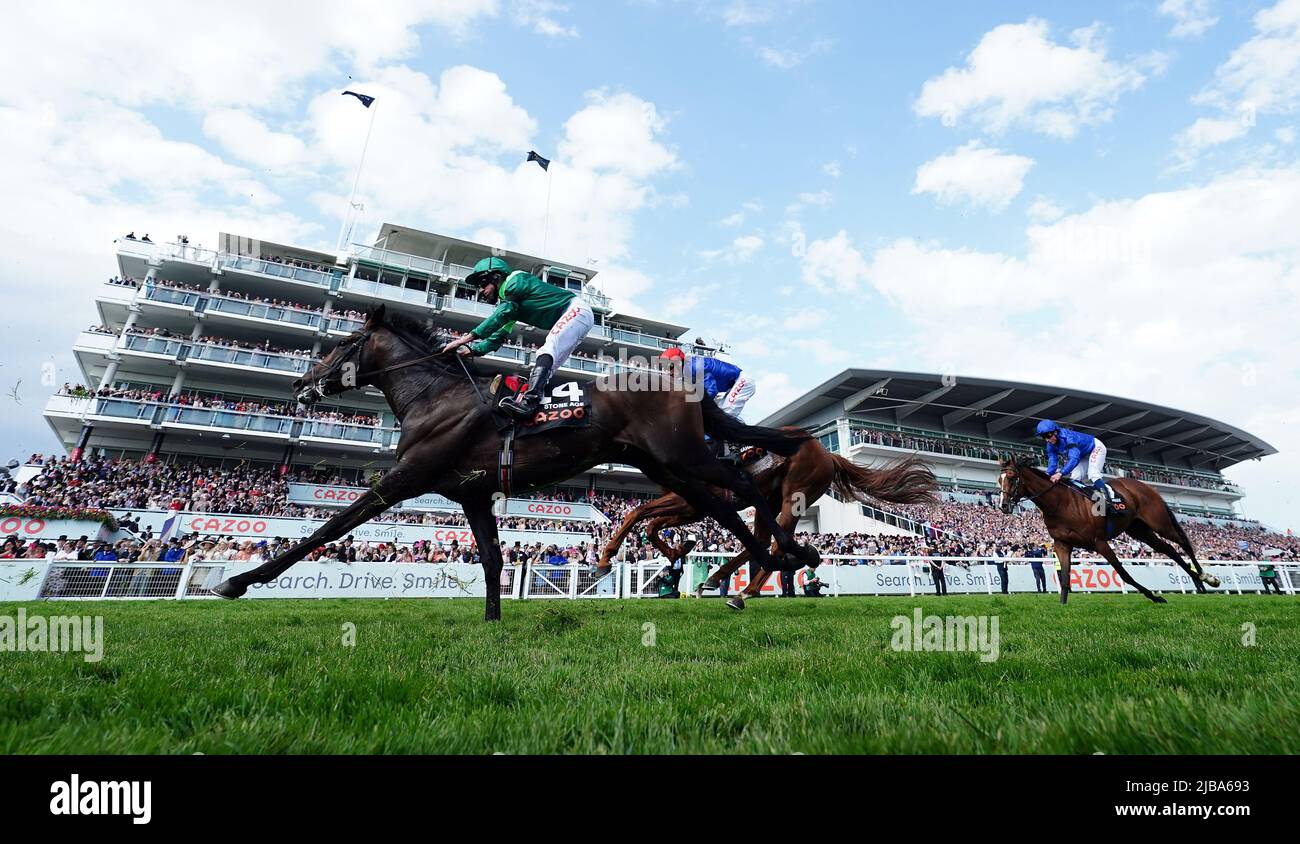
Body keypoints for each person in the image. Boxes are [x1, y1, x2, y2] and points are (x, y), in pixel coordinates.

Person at [441, 256, 595, 419]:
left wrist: (463, 339)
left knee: (547, 349)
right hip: (578, 317)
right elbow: (497, 337)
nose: (481, 290)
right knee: (549, 369)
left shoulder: (515, 280)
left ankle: (529, 402)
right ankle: (542, 410)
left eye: (482, 284)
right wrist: (471, 350)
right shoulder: (510, 303)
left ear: (495, 277)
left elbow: (502, 314)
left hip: (576, 309)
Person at [1035, 419, 1121, 510]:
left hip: (1095, 448)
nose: (1047, 439)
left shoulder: (1069, 437)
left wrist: (1060, 473)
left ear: (1056, 431)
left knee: (1093, 474)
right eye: (1043, 437)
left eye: (1048, 435)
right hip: (1082, 454)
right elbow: (1052, 460)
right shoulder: (1050, 445)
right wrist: (1048, 474)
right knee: (1075, 478)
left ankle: (1109, 500)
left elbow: (1074, 458)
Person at [659, 347, 754, 421]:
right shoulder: (687, 370)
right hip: (732, 386)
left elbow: (712, 390)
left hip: (742, 381)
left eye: (669, 366)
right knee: (718, 415)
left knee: (725, 416)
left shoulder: (694, 367)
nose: (667, 371)